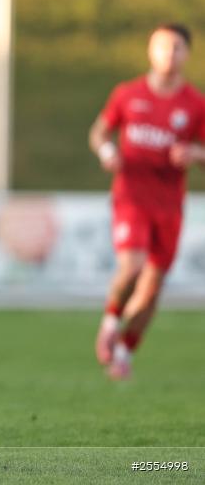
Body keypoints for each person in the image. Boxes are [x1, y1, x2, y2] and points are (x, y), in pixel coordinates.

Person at [89, 23, 205, 381]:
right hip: (131, 196)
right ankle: (110, 321)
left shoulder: (195, 104)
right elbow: (98, 132)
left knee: (153, 288)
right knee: (133, 266)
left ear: (187, 54)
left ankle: (124, 351)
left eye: (176, 48)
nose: (169, 54)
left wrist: (195, 153)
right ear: (150, 51)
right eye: (162, 47)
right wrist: (108, 150)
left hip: (169, 205)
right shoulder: (127, 94)